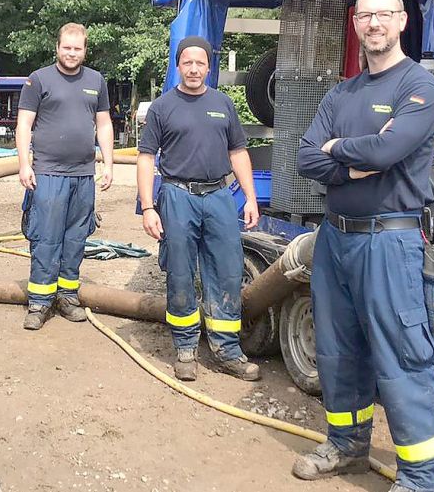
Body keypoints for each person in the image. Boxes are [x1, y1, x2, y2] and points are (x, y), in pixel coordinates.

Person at [294, 0, 434, 492]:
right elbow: (304, 157)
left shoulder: (419, 86)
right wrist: (351, 164)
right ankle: (346, 445)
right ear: (355, 23)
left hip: (390, 241)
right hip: (335, 238)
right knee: (338, 349)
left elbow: (388, 153)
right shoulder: (343, 91)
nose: (374, 24)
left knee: (401, 353)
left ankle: (422, 476)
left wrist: (339, 149)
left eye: (384, 15)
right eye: (365, 16)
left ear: (402, 21)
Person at [136, 35, 261, 382]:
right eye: (187, 62)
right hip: (177, 196)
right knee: (179, 271)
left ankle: (226, 350)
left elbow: (238, 152)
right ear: (178, 66)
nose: (193, 68)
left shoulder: (223, 104)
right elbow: (146, 158)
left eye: (200, 63)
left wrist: (250, 197)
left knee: (227, 270)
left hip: (220, 197)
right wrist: (148, 206)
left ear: (209, 67)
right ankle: (186, 347)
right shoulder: (163, 107)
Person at [15, 22, 114, 331]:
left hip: (83, 175)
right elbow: (23, 124)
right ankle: (40, 302)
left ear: (85, 50)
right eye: (67, 47)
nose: (72, 53)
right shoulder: (38, 80)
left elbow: (105, 124)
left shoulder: (96, 81)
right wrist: (23, 163)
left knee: (75, 237)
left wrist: (108, 164)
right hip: (48, 173)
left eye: (78, 48)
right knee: (46, 237)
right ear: (57, 48)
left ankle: (67, 296)